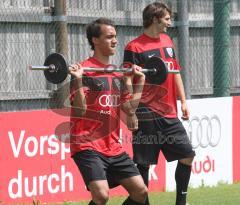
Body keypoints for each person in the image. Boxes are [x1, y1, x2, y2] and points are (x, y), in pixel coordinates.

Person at [69, 18, 148, 205]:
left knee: (141, 191)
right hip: (87, 144)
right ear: (95, 40)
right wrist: (78, 80)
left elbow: (129, 109)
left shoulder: (117, 73)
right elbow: (79, 111)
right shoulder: (84, 71)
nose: (115, 41)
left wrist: (140, 80)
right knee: (101, 195)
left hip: (113, 146)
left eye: (115, 37)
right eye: (109, 37)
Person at [123, 2, 195, 205]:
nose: (169, 23)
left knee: (187, 155)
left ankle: (181, 202)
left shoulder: (167, 41)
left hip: (170, 114)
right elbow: (127, 79)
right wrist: (131, 111)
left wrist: (183, 101)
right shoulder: (134, 47)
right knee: (144, 165)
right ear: (155, 19)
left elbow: (176, 72)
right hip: (146, 114)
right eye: (166, 19)